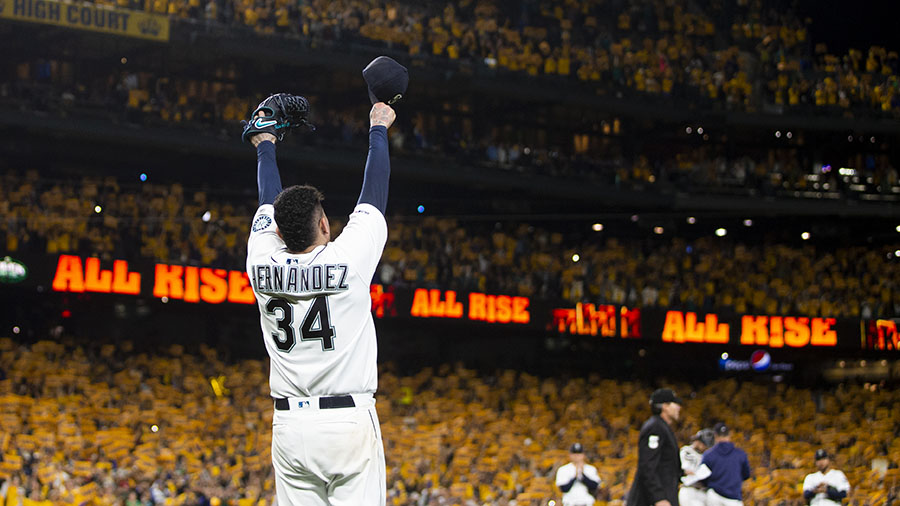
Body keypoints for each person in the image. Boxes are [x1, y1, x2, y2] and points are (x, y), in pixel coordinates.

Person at [245, 98, 397, 505]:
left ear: (276, 231)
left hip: (290, 426)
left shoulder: (261, 262)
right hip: (347, 421)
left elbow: (267, 200)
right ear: (326, 224)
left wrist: (265, 142)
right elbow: (373, 196)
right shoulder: (348, 260)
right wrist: (378, 126)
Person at [626, 388, 683, 506]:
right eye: (675, 404)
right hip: (652, 500)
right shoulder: (655, 428)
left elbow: (665, 463)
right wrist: (659, 497)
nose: (679, 407)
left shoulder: (663, 427)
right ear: (665, 406)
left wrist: (683, 474)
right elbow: (648, 465)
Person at [699, 423, 750, 506]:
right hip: (734, 499)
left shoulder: (709, 454)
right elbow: (746, 475)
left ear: (715, 435)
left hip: (714, 497)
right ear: (729, 435)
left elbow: (702, 477)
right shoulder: (740, 454)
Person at [679, 429, 714, 506]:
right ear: (698, 440)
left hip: (703, 491)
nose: (705, 447)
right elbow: (687, 470)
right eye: (704, 444)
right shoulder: (687, 451)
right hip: (690, 489)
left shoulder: (708, 455)